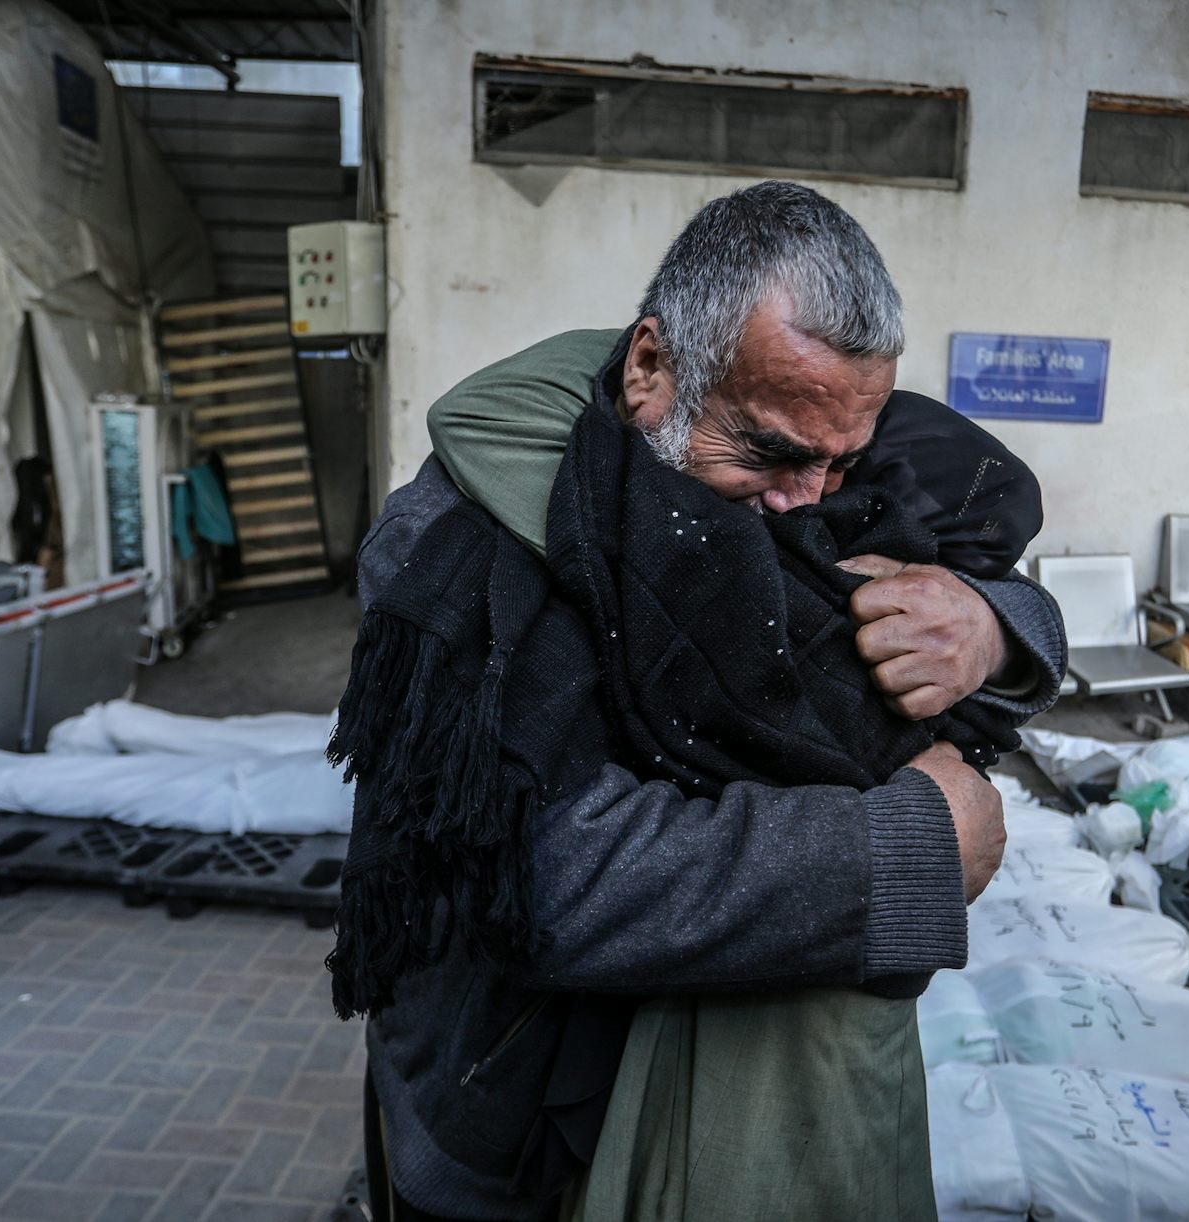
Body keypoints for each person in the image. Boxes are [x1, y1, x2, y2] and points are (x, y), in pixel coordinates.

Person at [331, 182, 1065, 1221]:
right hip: (513, 1119)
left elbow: (993, 564)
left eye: (841, 461)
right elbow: (550, 878)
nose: (807, 502)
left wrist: (989, 625)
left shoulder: (794, 437)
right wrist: (905, 852)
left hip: (733, 1104)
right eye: (770, 451)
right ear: (650, 368)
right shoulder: (462, 543)